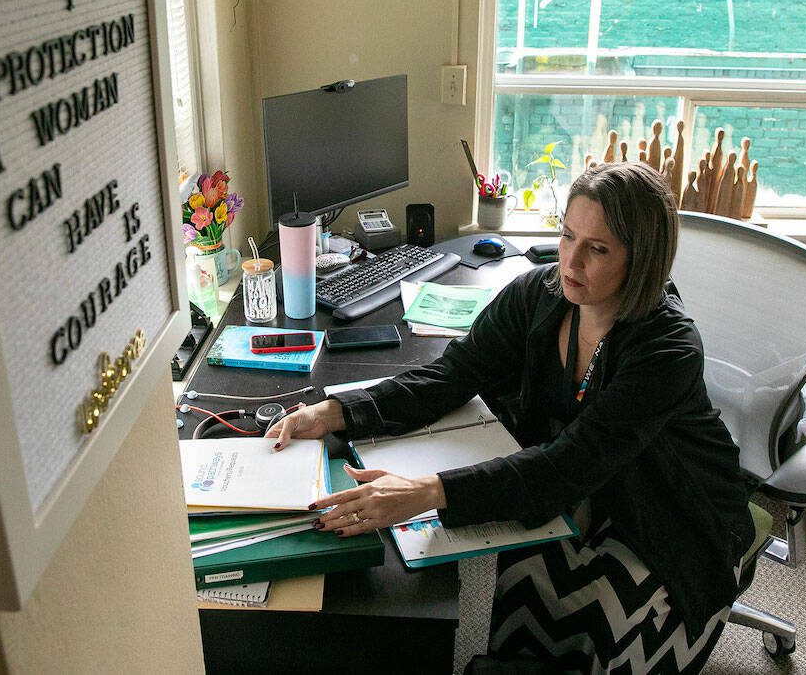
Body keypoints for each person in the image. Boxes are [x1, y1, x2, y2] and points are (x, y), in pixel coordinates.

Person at [267, 161, 755, 674]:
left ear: (643, 260)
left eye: (598, 249)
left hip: (675, 508)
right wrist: (334, 411)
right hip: (590, 482)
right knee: (526, 571)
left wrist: (427, 493)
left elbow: (568, 465)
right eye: (568, 236)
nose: (571, 261)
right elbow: (451, 376)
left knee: (605, 616)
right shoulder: (539, 294)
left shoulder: (668, 348)